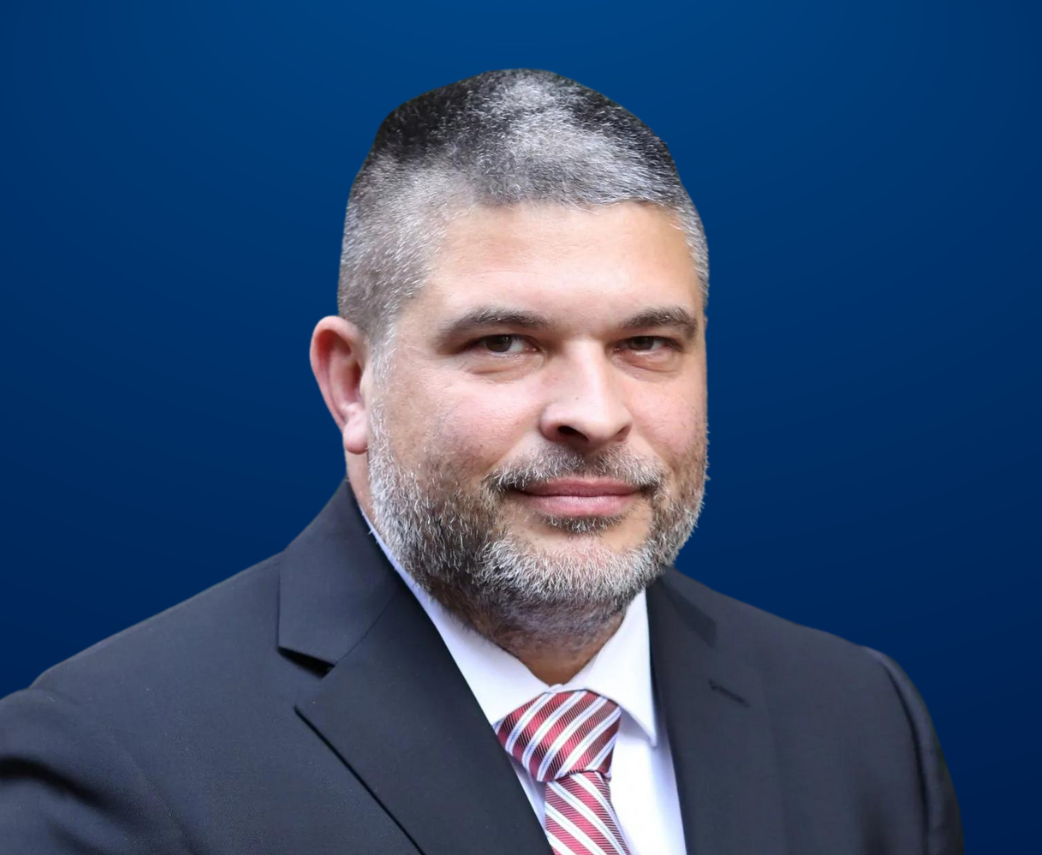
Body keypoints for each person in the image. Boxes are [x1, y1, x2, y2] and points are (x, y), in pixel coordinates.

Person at [0, 69, 962, 854]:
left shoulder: (862, 723)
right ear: (351, 382)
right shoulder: (108, 765)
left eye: (647, 344)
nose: (593, 414)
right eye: (505, 341)